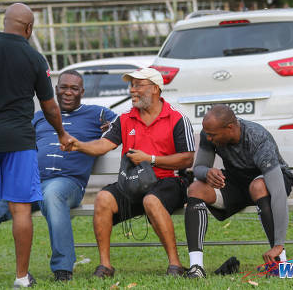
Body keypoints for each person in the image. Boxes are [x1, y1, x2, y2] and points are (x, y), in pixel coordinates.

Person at [0, 70, 116, 283]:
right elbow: (16, 140)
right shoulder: (40, 117)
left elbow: (125, 126)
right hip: (28, 182)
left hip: (66, 183)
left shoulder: (98, 114)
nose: (68, 92)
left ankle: (62, 269)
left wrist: (110, 128)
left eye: (74, 89)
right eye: (64, 87)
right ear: (56, 90)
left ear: (82, 92)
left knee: (52, 195)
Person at [0, 3, 71, 290]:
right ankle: (21, 277)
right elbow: (50, 107)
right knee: (21, 209)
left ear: (5, 22)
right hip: (19, 141)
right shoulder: (34, 57)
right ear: (28, 28)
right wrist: (62, 134)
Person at [63, 68, 196, 278]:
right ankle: (105, 266)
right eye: (131, 85)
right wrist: (78, 145)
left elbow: (187, 158)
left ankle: (175, 264)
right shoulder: (125, 119)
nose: (132, 90)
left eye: (138, 85)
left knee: (151, 201)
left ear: (155, 89)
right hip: (133, 183)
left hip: (168, 181)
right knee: (103, 198)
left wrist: (150, 159)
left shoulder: (177, 118)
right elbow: (103, 144)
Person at [183, 104, 293, 278]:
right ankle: (196, 267)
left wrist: (279, 243)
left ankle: (280, 261)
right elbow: (199, 168)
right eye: (207, 134)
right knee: (196, 188)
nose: (208, 138)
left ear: (230, 128)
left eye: (213, 135)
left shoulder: (257, 137)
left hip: (271, 182)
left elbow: (278, 192)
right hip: (238, 182)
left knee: (258, 186)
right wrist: (207, 173)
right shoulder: (209, 133)